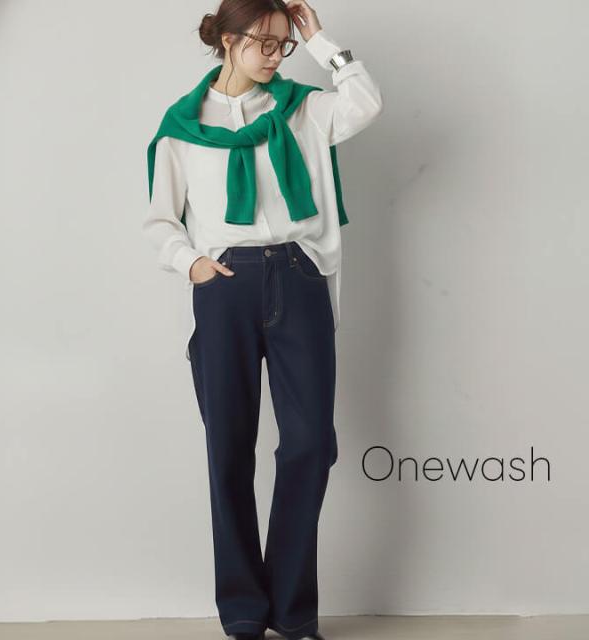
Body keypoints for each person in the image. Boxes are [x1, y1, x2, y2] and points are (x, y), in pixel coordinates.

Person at [143, 1, 383, 638]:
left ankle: (292, 608)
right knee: (228, 448)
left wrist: (321, 41)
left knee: (311, 444)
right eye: (264, 43)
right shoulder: (182, 125)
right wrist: (191, 263)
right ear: (227, 40)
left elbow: (365, 104)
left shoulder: (304, 108)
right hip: (224, 284)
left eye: (284, 45)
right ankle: (244, 609)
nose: (277, 56)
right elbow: (161, 219)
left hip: (299, 277)